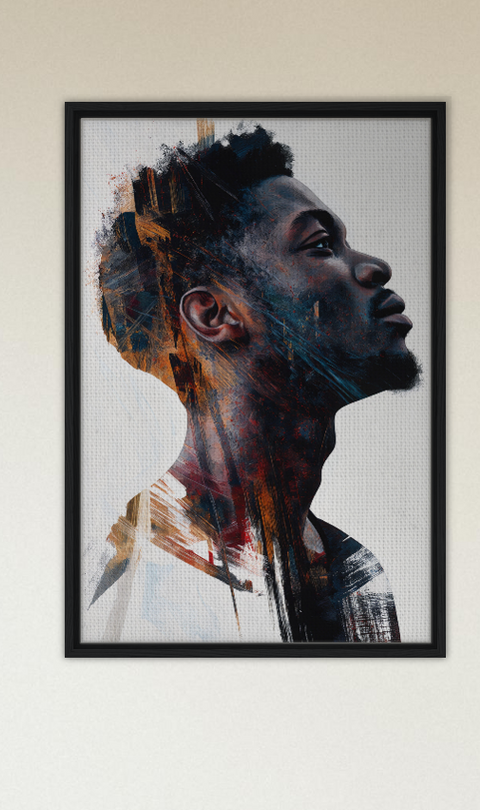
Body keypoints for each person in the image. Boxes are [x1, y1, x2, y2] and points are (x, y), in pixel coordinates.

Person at [86, 125, 420, 643]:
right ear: (214, 313)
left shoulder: (356, 577)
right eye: (321, 245)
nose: (374, 268)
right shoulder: (119, 587)